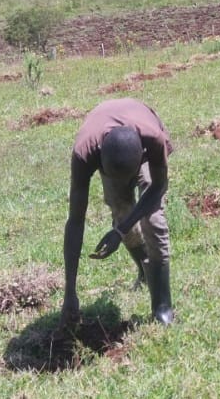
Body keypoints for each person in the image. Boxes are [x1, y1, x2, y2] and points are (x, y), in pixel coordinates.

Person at [61, 98, 174, 326]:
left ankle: (163, 306)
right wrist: (70, 292)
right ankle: (144, 269)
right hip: (112, 152)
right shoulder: (84, 152)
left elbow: (158, 187)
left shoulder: (154, 139)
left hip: (138, 146)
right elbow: (75, 221)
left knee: (153, 219)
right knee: (121, 209)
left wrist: (118, 232)